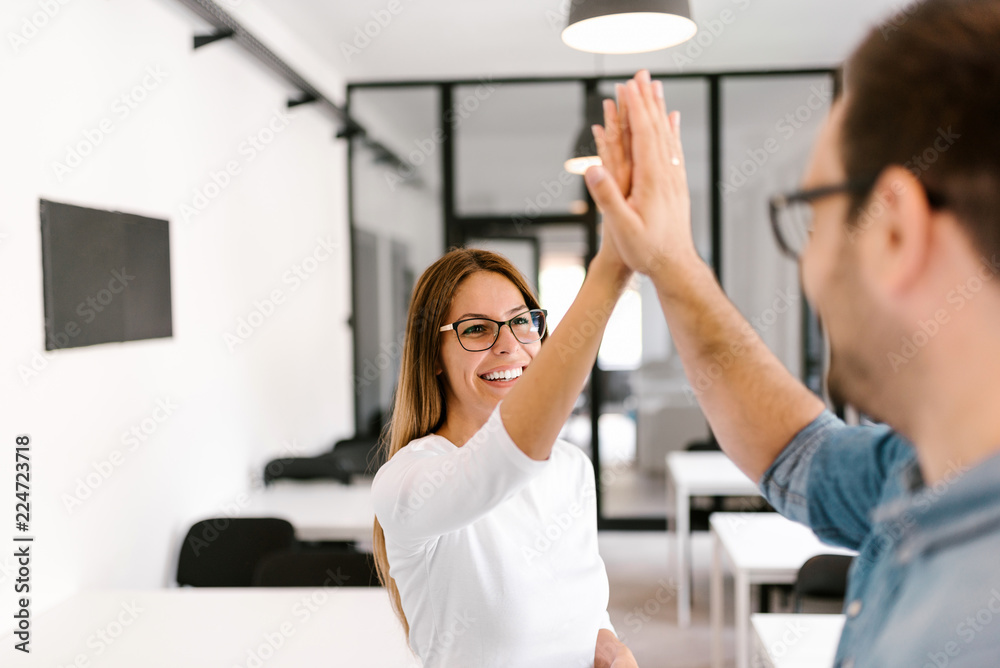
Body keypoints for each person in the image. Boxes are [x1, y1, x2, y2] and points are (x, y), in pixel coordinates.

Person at [583, 1, 1000, 665]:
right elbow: (798, 452)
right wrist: (671, 262)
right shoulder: (919, 467)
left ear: (893, 232)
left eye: (812, 217)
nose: (806, 264)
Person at [371, 204, 639, 662]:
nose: (509, 345)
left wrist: (610, 648)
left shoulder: (572, 467)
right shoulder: (407, 481)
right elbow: (497, 464)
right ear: (432, 356)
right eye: (476, 329)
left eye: (521, 320)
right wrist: (610, 270)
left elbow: (585, 607)